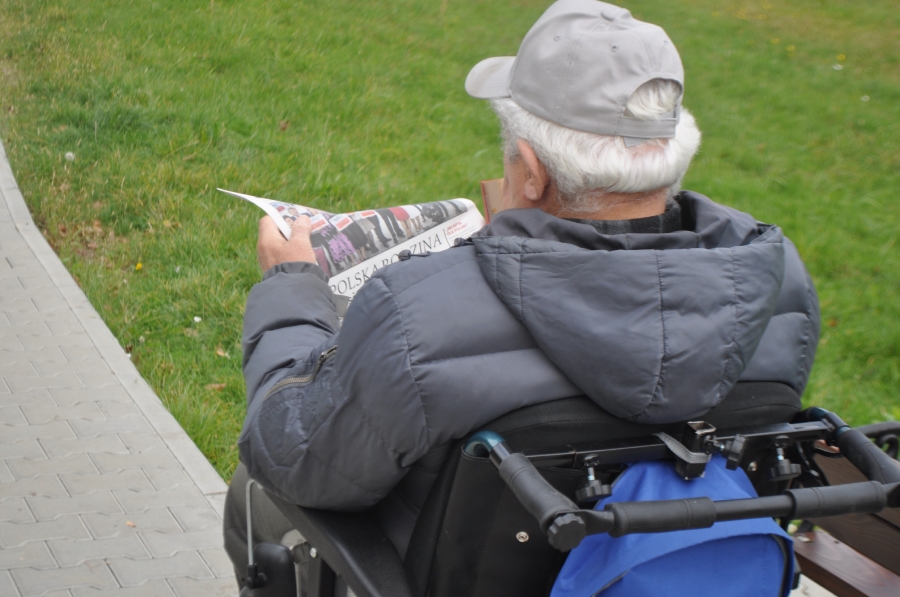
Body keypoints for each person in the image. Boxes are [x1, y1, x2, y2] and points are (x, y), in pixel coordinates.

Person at [224, 0, 819, 584]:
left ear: (532, 173)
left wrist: (291, 287)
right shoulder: (778, 280)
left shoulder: (421, 314)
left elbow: (293, 457)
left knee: (251, 493)